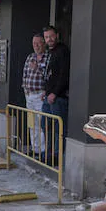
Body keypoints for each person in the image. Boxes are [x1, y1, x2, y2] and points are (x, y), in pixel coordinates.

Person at [42, 25, 69, 163]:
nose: (49, 39)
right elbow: (50, 75)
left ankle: (58, 156)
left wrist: (55, 93)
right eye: (47, 37)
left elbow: (63, 75)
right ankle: (48, 152)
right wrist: (45, 91)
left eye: (51, 36)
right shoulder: (50, 52)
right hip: (48, 96)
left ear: (57, 35)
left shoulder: (62, 51)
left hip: (58, 98)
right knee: (45, 125)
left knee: (59, 128)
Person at [22, 33, 48, 156]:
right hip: (30, 95)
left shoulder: (47, 57)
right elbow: (25, 75)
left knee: (41, 124)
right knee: (32, 123)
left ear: (44, 44)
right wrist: (25, 90)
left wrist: (37, 68)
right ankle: (35, 148)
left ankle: (42, 150)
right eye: (34, 44)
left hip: (40, 95)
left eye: (38, 43)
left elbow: (48, 76)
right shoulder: (30, 57)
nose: (36, 46)